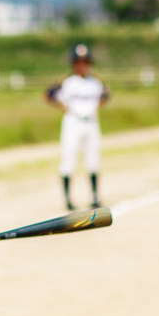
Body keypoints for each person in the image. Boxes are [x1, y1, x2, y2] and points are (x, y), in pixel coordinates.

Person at [44, 43, 110, 210]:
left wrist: (97, 108)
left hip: (91, 122)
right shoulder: (67, 82)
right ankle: (67, 198)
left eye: (85, 62)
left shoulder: (96, 82)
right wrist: (62, 107)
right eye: (79, 62)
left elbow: (106, 95)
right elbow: (49, 95)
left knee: (93, 159)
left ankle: (94, 195)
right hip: (73, 122)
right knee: (69, 159)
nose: (82, 65)